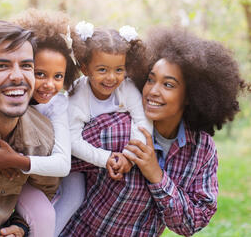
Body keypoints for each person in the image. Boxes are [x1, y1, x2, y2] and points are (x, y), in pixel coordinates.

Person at [59, 27, 248, 236]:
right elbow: (61, 160)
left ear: (190, 95)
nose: (152, 91)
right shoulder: (117, 128)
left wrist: (156, 175)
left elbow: (194, 222)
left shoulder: (201, 149)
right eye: (150, 79)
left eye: (168, 84)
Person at [0, 9, 81, 237]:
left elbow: (45, 192)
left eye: (27, 66)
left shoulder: (44, 138)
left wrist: (20, 226)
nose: (18, 76)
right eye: (2, 66)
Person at [54, 21, 153, 235]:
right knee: (73, 198)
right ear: (85, 68)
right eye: (102, 70)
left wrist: (129, 155)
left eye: (119, 69)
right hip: (75, 161)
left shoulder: (126, 88)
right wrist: (105, 158)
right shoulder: (76, 95)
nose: (111, 77)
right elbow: (72, 140)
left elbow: (142, 121)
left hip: (116, 160)